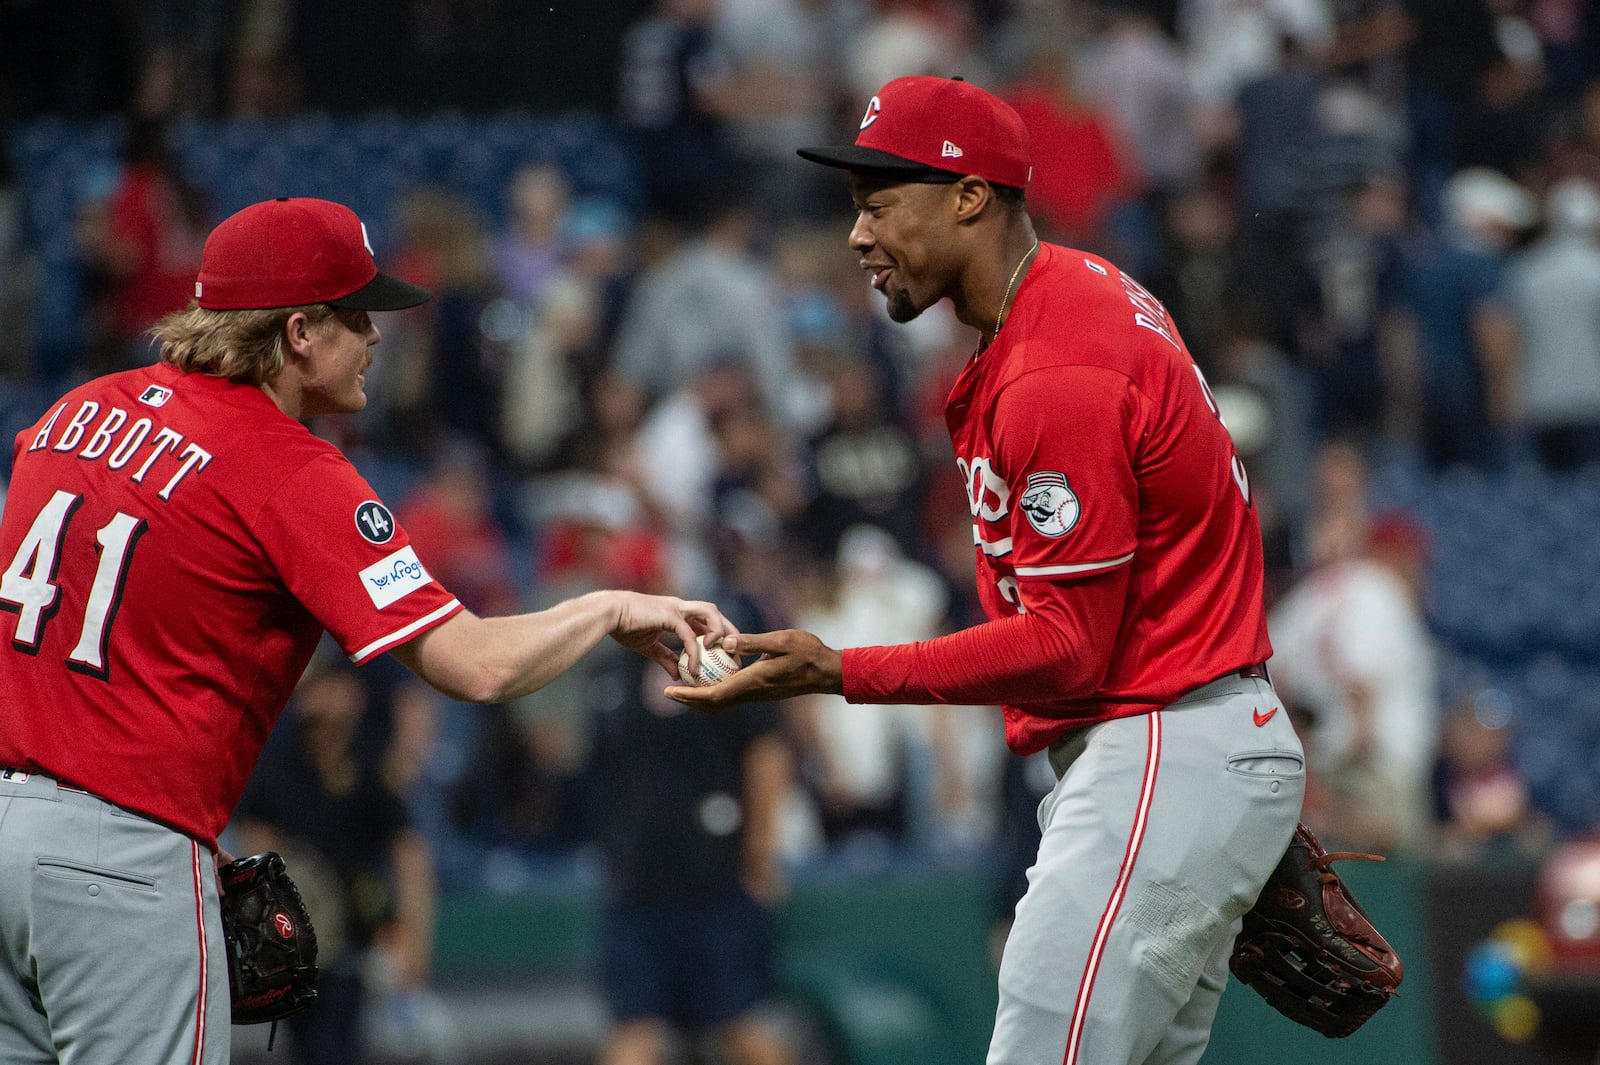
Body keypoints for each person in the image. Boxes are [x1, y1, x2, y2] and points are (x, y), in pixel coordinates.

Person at [0, 196, 737, 1065]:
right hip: (122, 859)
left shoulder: (73, 414)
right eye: (359, 316)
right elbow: (476, 666)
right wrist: (609, 606)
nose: (377, 338)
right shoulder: (290, 467)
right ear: (301, 330)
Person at [669, 76, 1306, 1065]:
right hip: (1181, 739)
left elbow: (1065, 649)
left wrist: (835, 670)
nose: (857, 235)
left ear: (968, 196)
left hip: (1160, 742)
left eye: (880, 202)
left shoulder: (1056, 368)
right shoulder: (1074, 297)